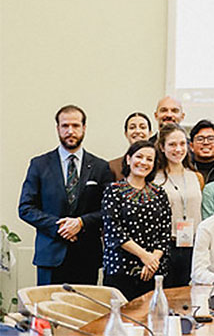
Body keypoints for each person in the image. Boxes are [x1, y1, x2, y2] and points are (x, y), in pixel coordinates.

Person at [19, 105, 114, 285]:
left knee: (85, 312)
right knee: (47, 311)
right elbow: (26, 208)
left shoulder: (101, 167)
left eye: (76, 126)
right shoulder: (39, 164)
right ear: (57, 129)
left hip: (86, 256)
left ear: (84, 128)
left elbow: (108, 211)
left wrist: (81, 223)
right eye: (65, 126)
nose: (70, 131)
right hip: (50, 255)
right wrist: (60, 227)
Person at [102, 141, 172, 300]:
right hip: (121, 270)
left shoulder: (160, 193)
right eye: (139, 157)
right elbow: (114, 231)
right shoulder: (113, 191)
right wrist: (144, 256)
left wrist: (152, 260)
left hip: (154, 270)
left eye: (149, 159)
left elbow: (165, 232)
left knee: (153, 319)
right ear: (128, 159)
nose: (143, 162)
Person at [151, 123, 204, 288]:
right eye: (172, 144)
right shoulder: (154, 179)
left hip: (193, 245)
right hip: (167, 246)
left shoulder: (196, 177)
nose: (178, 149)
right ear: (162, 147)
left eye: (182, 144)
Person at [108, 112, 152, 179]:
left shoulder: (160, 165)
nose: (137, 131)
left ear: (150, 133)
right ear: (126, 133)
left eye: (142, 127)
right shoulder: (113, 167)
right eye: (132, 128)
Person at [190, 119, 214, 184]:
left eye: (210, 139)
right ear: (191, 146)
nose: (205, 143)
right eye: (200, 139)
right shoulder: (185, 168)